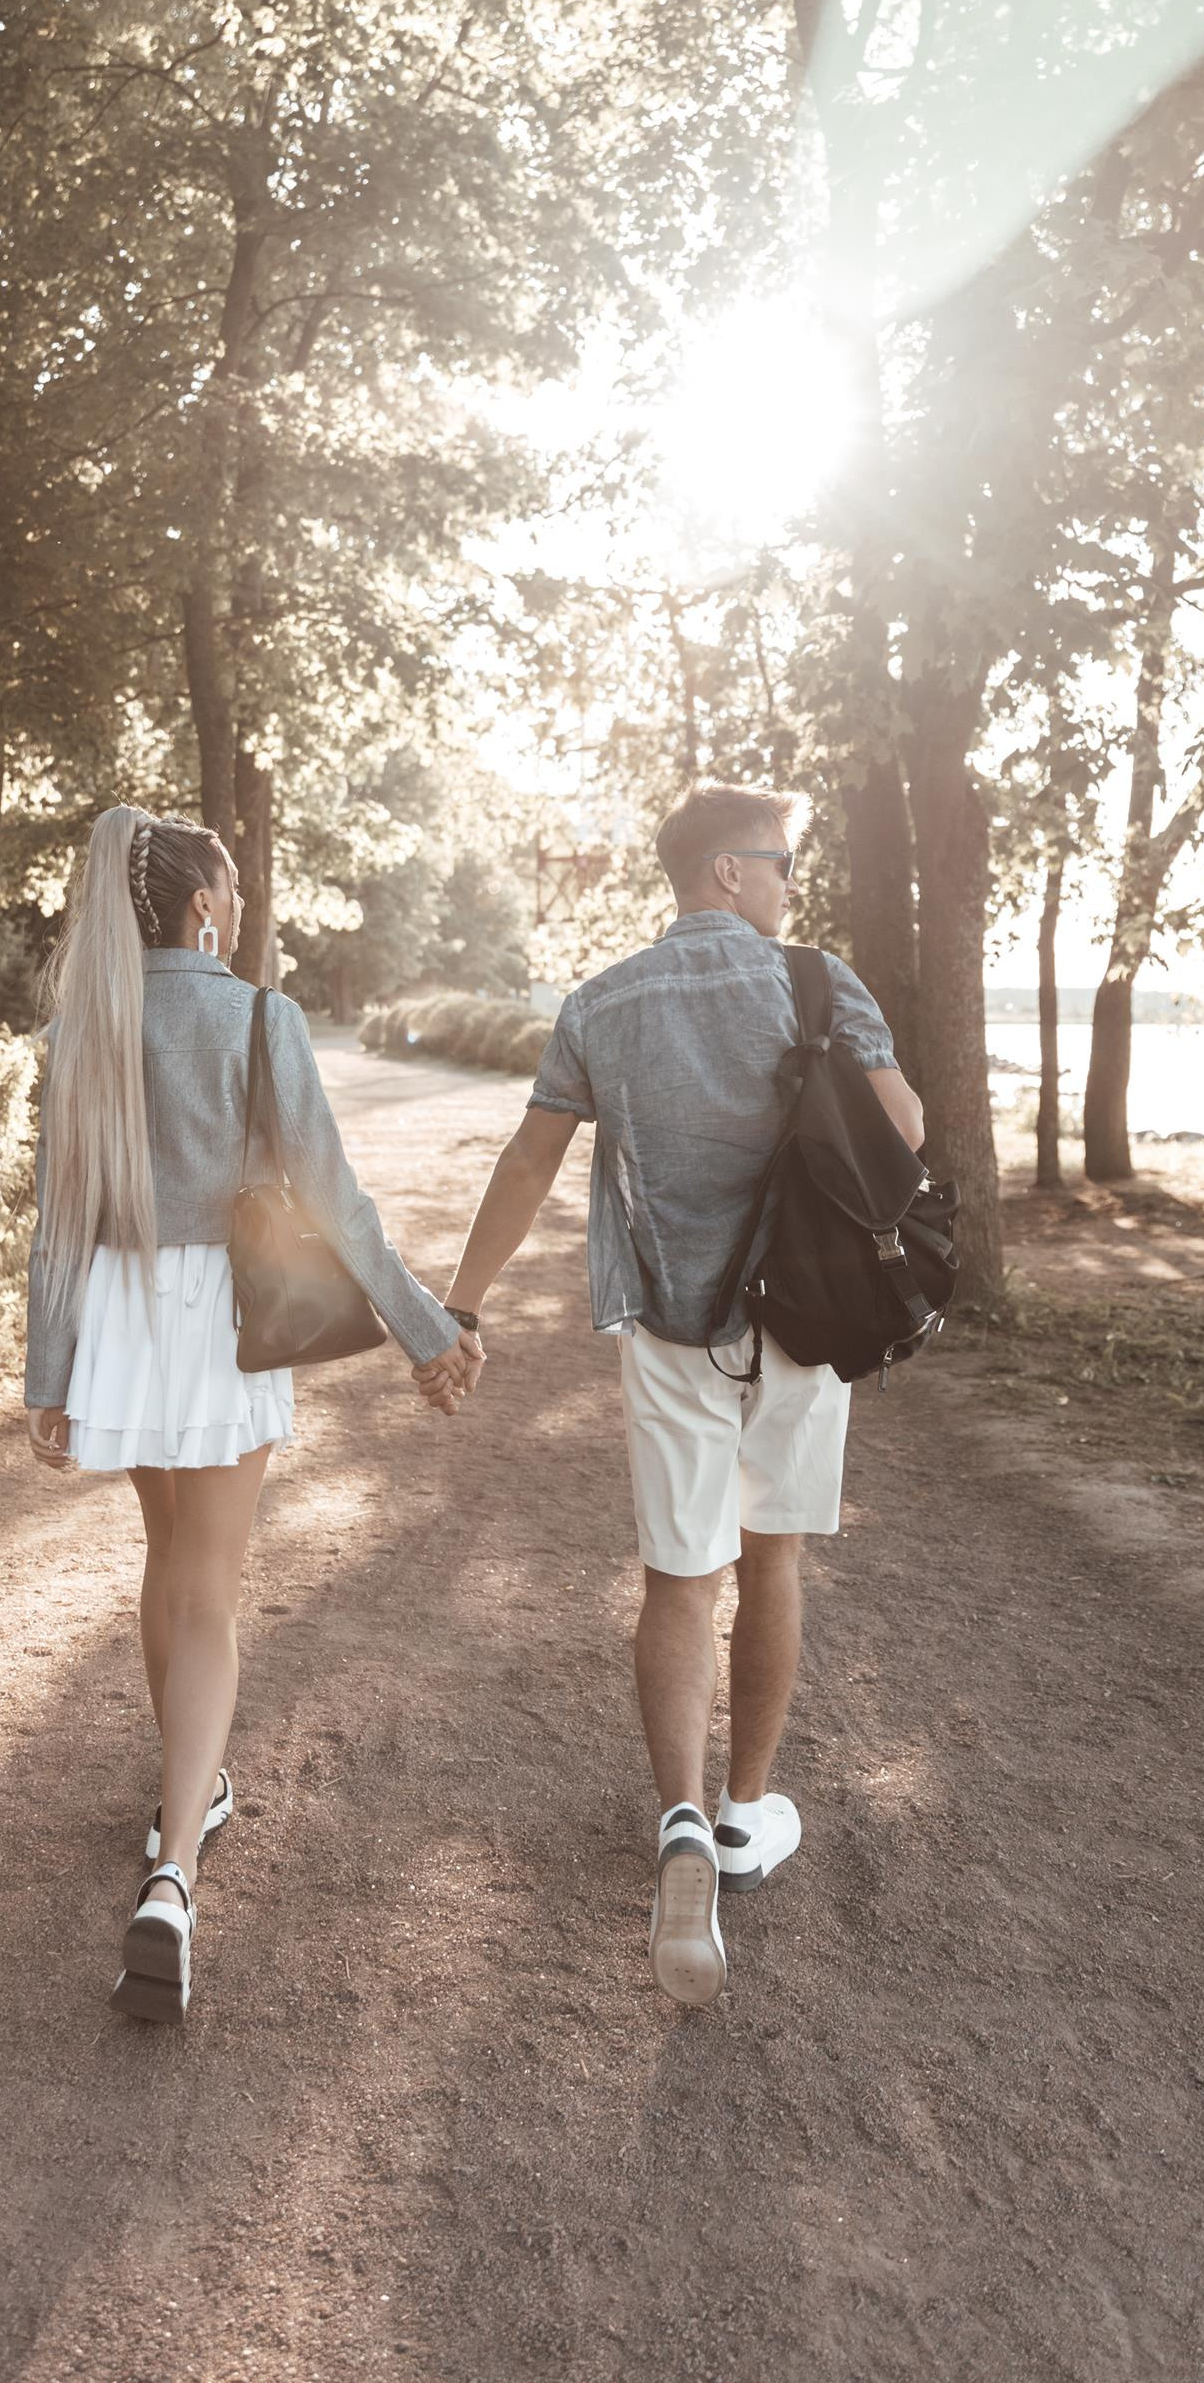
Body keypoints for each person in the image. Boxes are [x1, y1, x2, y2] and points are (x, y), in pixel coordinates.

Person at [437, 782, 924, 2006]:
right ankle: (747, 1813)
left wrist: (460, 1305)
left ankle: (679, 1825)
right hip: (805, 1326)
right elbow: (902, 1132)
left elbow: (531, 1160)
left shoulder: (599, 1005)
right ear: (725, 873)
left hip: (671, 1327)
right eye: (778, 866)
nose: (786, 888)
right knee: (773, 1562)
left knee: (675, 1577)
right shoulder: (817, 982)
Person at [23, 804, 480, 2023]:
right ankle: (173, 1870)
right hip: (220, 1317)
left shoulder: (82, 1030)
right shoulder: (259, 1017)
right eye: (233, 898)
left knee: (167, 1557)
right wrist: (427, 1333)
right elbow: (333, 1197)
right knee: (214, 1586)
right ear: (205, 909)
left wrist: (46, 1374)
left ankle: (189, 1789)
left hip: (118, 1314)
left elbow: (54, 1226)